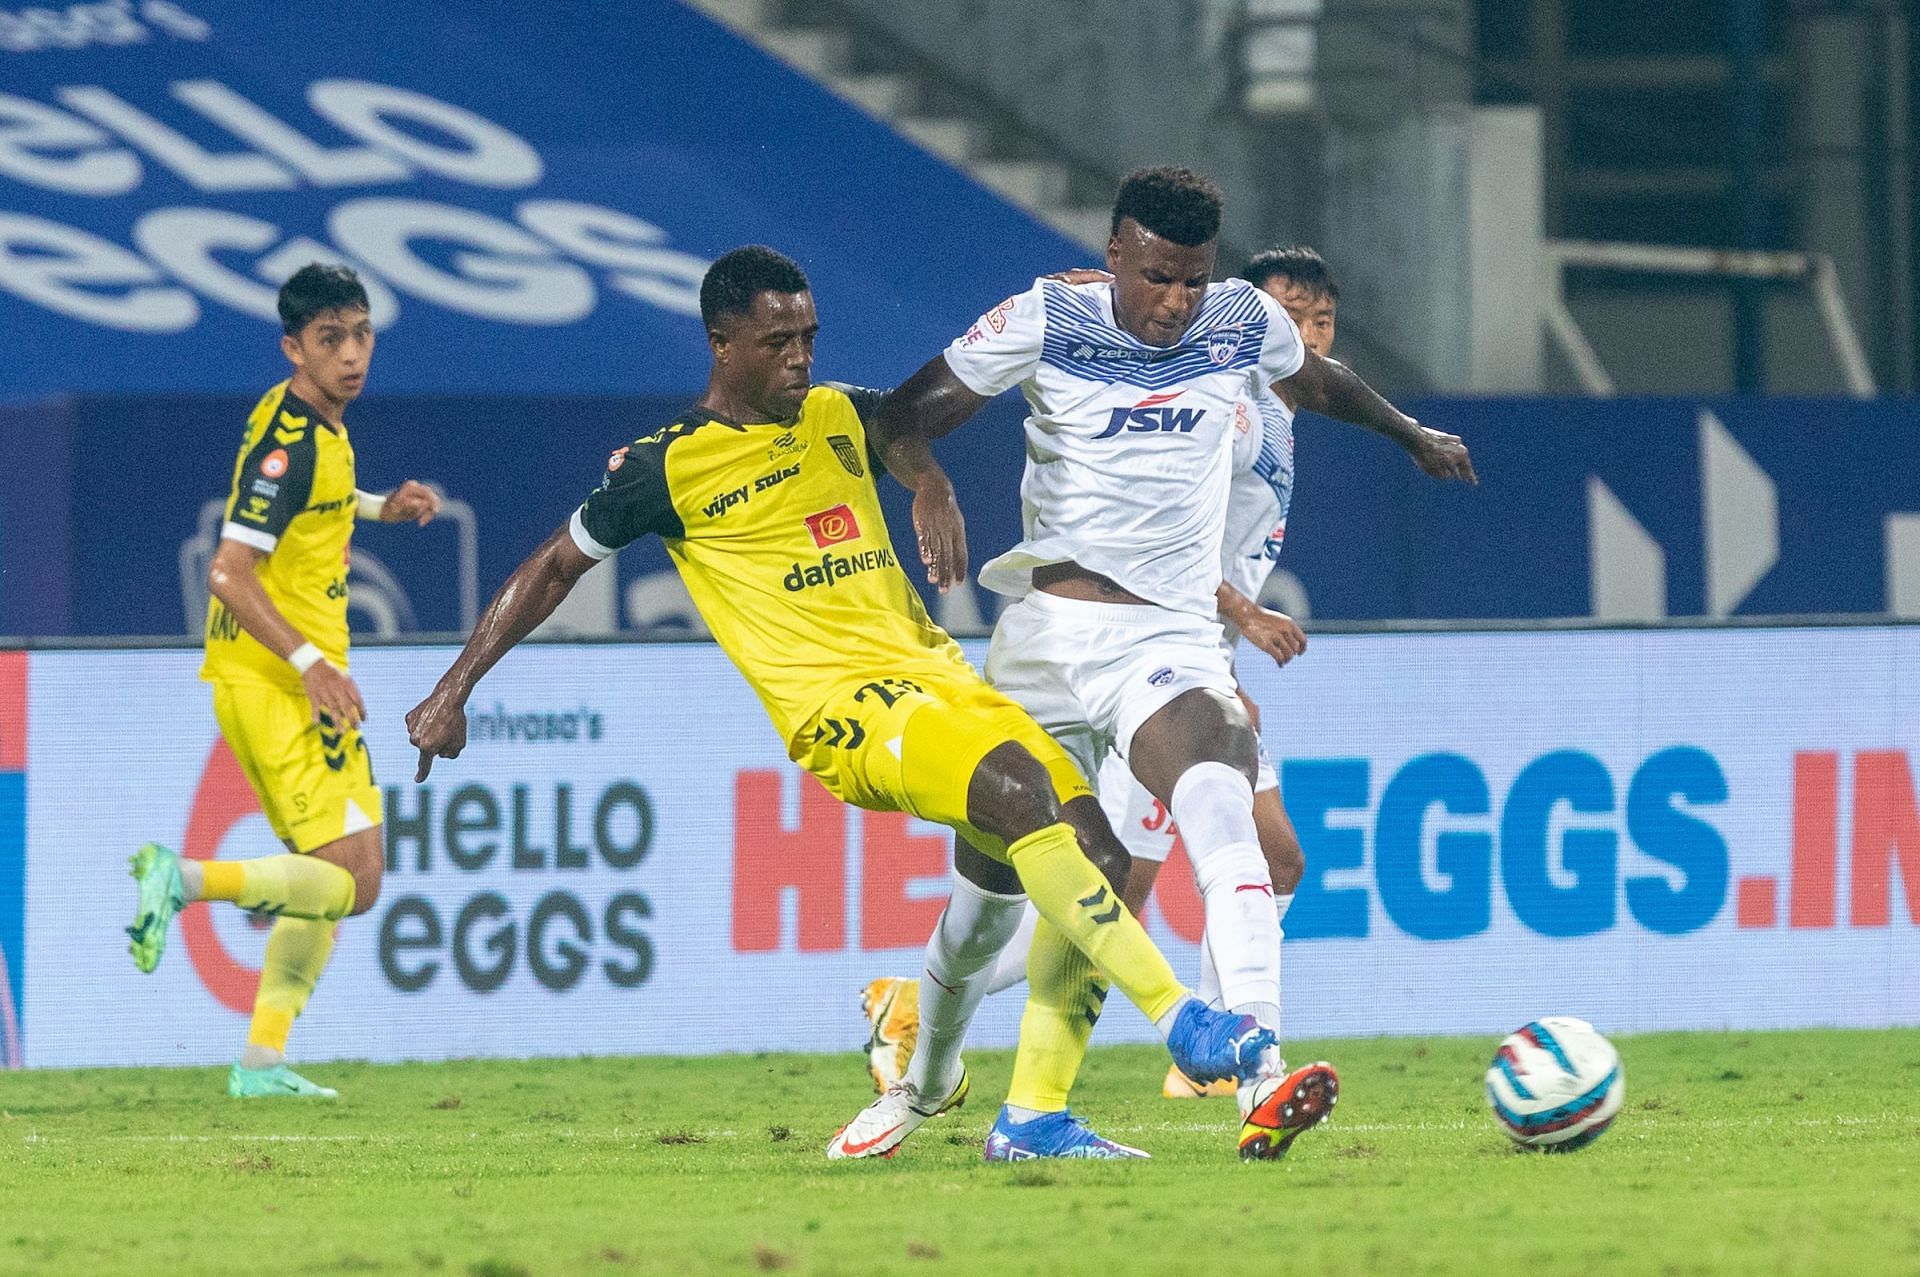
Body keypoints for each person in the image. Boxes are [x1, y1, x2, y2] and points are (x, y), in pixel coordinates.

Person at [399, 245, 1279, 1157]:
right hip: (845, 712)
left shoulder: (835, 412)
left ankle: (1030, 1115)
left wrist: (929, 479)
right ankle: (1185, 1020)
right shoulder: (665, 466)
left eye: (810, 337)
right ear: (722, 345)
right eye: (778, 341)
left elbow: (901, 423)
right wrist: (452, 688)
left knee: (1095, 851)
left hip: (941, 679)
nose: (800, 357)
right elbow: (552, 566)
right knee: (1024, 798)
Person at [837, 170, 1475, 1161]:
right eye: (1160, 278)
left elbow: (1312, 377)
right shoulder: (1046, 318)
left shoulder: (1237, 320)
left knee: (1225, 809)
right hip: (1045, 634)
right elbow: (901, 413)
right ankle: (920, 1075)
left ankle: (1257, 1070)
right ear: (1117, 255)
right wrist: (930, 488)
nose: (1178, 302)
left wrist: (1409, 432)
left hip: (1168, 638)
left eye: (1194, 279)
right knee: (986, 900)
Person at [861, 245, 1343, 1105]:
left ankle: (1231, 1048)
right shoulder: (1223, 399)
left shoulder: (1274, 410)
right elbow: (1152, 535)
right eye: (1291, 315)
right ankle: (927, 1008)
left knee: (1271, 858)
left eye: (1322, 321)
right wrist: (1237, 623)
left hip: (1187, 655)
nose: (1307, 334)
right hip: (1146, 657)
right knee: (1123, 878)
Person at [126, 263, 442, 1098]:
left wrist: (383, 508)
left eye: (361, 333)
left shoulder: (314, 424)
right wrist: (310, 666)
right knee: (345, 880)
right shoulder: (291, 440)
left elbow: (317, 501)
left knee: (352, 879)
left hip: (291, 676)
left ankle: (263, 1058)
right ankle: (185, 878)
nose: (351, 353)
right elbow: (229, 572)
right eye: (330, 339)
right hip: (278, 682)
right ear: (293, 346)